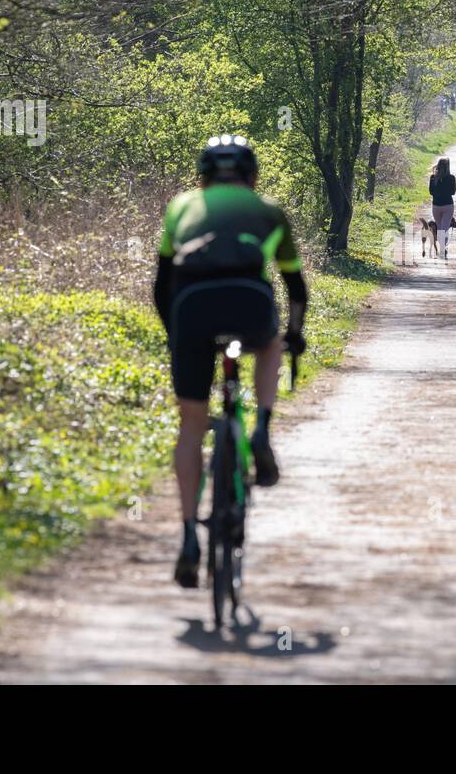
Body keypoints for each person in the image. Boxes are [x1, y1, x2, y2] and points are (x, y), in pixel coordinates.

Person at [153, 134, 308, 589]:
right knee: (273, 341)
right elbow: (295, 288)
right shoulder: (269, 210)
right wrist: (294, 335)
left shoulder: (180, 207)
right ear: (252, 174)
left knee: (191, 427)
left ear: (202, 175)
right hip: (249, 302)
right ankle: (261, 425)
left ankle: (187, 535)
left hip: (192, 311)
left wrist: (176, 335)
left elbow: (163, 284)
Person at [428, 157, 456, 258]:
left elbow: (431, 192)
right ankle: (442, 249)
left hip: (436, 205)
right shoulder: (451, 178)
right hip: (448, 205)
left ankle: (442, 249)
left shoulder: (433, 177)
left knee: (440, 227)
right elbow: (453, 192)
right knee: (444, 228)